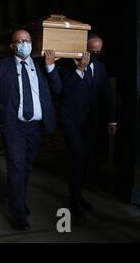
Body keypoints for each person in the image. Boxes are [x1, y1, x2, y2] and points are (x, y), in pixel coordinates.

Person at [0, 30, 62, 231]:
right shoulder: (1, 67)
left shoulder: (40, 66)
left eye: (27, 40)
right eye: (20, 41)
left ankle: (18, 198)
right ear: (12, 46)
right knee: (17, 166)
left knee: (27, 167)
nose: (24, 44)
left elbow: (58, 89)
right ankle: (17, 212)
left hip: (34, 127)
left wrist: (51, 66)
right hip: (13, 126)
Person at [59, 34, 117, 217]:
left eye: (99, 52)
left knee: (86, 160)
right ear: (85, 49)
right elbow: (63, 91)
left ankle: (79, 194)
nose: (95, 55)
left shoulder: (101, 68)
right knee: (79, 156)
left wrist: (112, 120)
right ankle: (74, 198)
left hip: (90, 122)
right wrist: (80, 70)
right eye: (92, 51)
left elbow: (107, 95)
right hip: (71, 120)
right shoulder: (68, 66)